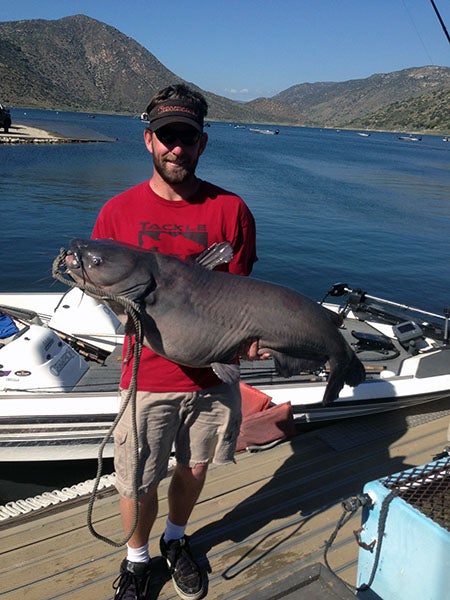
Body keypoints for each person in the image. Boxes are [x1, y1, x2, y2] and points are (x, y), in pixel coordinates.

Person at [92, 84, 257, 600]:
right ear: (148, 141)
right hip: (147, 376)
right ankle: (137, 560)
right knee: (138, 480)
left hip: (213, 376)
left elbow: (240, 293)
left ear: (202, 143)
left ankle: (176, 540)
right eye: (167, 137)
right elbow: (105, 293)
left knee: (196, 466)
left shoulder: (231, 210)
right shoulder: (117, 214)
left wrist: (247, 341)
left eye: (186, 137)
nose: (176, 148)